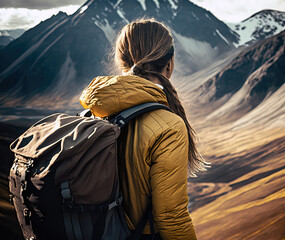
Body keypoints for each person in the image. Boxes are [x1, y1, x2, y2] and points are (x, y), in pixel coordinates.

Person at [79, 19, 207, 240]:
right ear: (169, 63)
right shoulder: (168, 126)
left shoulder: (95, 111)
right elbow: (171, 217)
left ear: (122, 62)